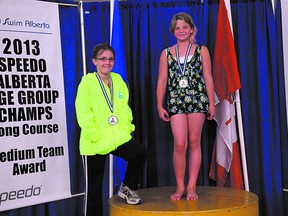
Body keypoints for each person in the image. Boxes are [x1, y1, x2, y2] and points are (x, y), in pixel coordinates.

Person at [75, 43, 147, 216]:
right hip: (95, 142)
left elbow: (125, 108)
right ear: (94, 61)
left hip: (117, 137)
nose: (107, 62)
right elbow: (83, 112)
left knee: (139, 152)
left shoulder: (118, 80)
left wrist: (126, 129)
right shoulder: (87, 83)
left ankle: (127, 188)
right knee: (94, 188)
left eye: (110, 59)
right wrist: (94, 134)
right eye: (102, 59)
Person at [156, 12, 215, 201]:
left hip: (197, 100)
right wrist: (160, 105)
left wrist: (211, 104)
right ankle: (180, 186)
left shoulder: (201, 50)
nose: (181, 31)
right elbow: (162, 80)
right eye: (177, 28)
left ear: (191, 29)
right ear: (173, 31)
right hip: (176, 101)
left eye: (185, 27)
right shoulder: (166, 53)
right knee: (180, 143)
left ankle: (191, 187)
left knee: (194, 141)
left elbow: (208, 77)